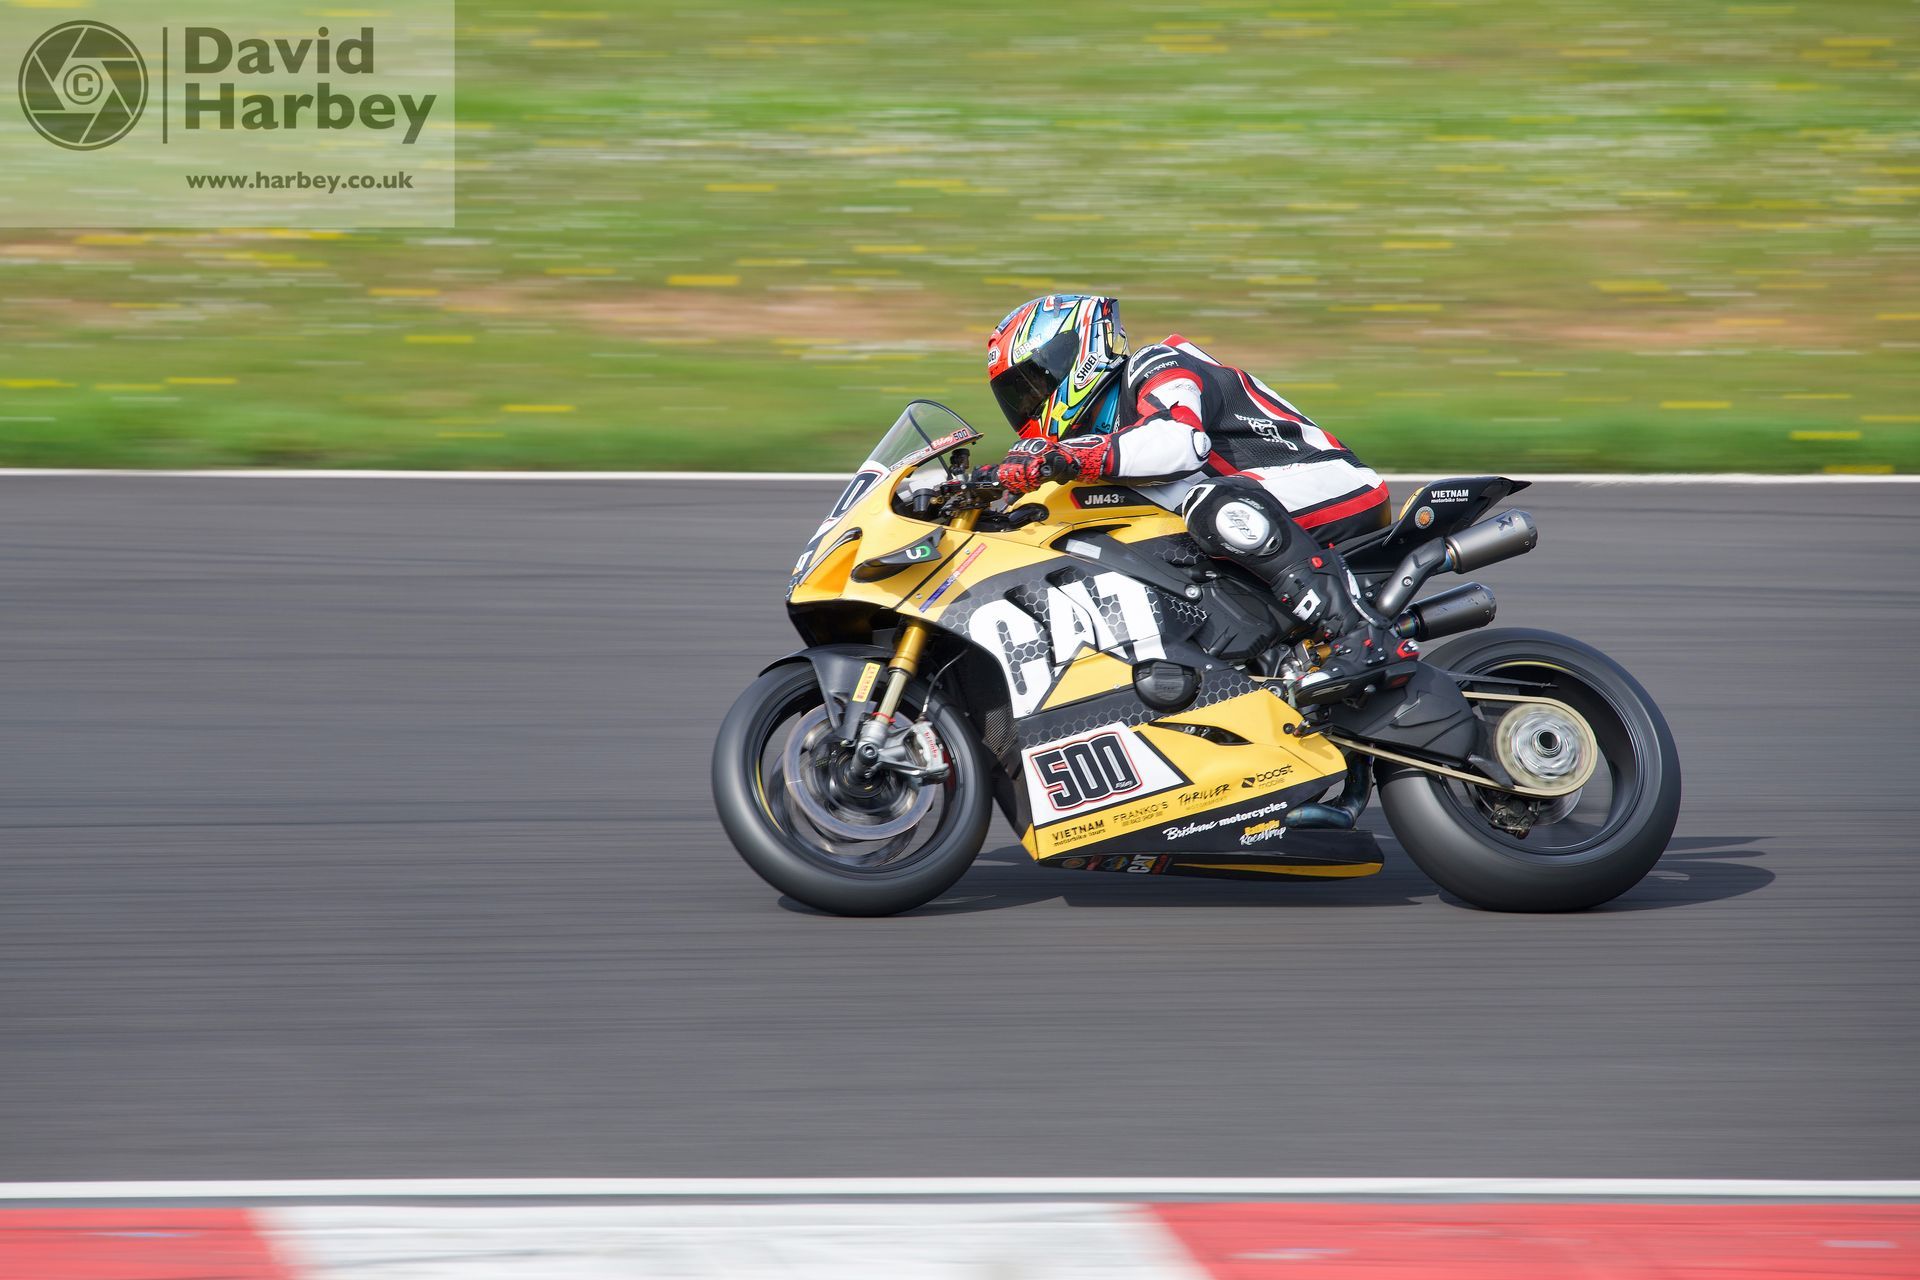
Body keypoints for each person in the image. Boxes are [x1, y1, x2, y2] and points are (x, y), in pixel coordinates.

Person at [980, 293, 1411, 706]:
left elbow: (1181, 444)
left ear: (1078, 351)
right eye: (1016, 396)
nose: (1027, 403)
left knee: (1212, 501)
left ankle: (1360, 639)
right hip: (1256, 519)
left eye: (1032, 383)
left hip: (1326, 485)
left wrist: (1070, 456)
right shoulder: (1095, 440)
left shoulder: (1155, 364)